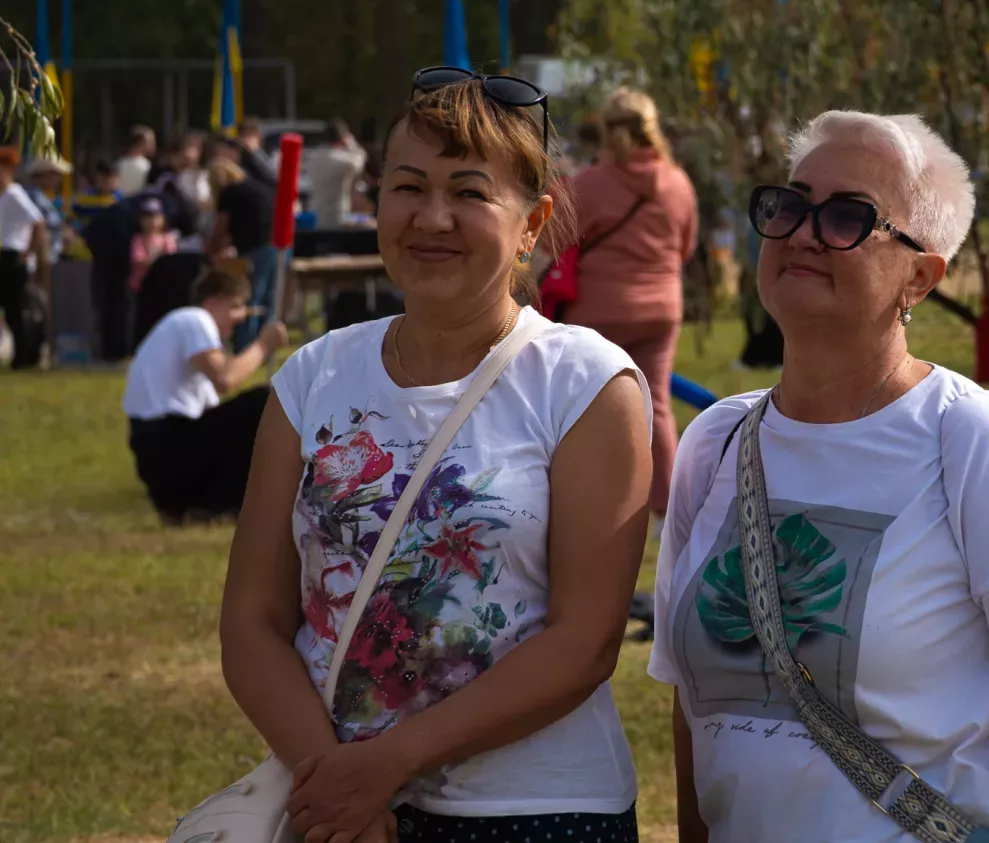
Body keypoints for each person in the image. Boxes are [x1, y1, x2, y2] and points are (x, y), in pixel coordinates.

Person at [649, 110, 989, 843]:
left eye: (847, 216)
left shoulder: (976, 443)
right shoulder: (714, 442)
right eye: (791, 205)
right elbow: (695, 707)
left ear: (921, 276)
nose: (804, 231)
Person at [219, 73, 651, 843]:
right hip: (340, 809)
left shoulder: (586, 382)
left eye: (469, 192)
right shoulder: (313, 376)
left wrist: (387, 763)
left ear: (533, 222)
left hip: (533, 812)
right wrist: (338, 780)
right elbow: (252, 620)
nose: (432, 217)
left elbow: (584, 643)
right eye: (407, 186)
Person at [568, 87, 699, 524]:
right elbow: (686, 247)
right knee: (657, 404)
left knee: (590, 406)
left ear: (607, 130)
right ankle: (670, 510)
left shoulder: (589, 183)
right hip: (661, 307)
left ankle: (598, 503)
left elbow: (556, 239)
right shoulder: (678, 182)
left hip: (600, 308)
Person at [123, 268, 287, 523]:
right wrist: (263, 346)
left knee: (247, 417)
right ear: (211, 303)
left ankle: (214, 505)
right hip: (165, 444)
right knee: (263, 403)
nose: (241, 317)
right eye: (236, 306)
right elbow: (225, 379)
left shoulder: (188, 340)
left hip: (164, 453)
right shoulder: (194, 319)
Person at [207, 158, 277, 351]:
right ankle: (267, 343)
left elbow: (220, 227)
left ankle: (245, 346)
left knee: (249, 296)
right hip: (279, 245)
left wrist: (210, 251)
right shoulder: (258, 187)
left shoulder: (229, 193)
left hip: (256, 247)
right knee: (269, 298)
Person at [0, 146, 50, 370]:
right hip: (4, 254)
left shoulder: (14, 193)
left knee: (15, 309)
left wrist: (27, 252)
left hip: (13, 255)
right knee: (10, 308)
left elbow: (37, 221)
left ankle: (23, 357)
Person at [305, 118, 368, 227]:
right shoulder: (343, 161)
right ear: (343, 138)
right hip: (336, 218)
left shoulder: (314, 157)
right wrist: (352, 144)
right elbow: (361, 157)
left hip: (315, 216)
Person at [22, 155, 72, 266]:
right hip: (37, 263)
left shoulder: (38, 196)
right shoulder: (33, 197)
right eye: (57, 174)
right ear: (46, 174)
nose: (59, 179)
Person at [127, 198, 179, 294]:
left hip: (162, 283)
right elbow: (138, 260)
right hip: (141, 285)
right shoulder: (138, 239)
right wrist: (155, 258)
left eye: (155, 217)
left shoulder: (167, 238)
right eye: (147, 218)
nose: (152, 221)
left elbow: (171, 257)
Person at [73, 159, 123, 230]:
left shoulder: (121, 201)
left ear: (118, 178)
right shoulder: (84, 198)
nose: (105, 180)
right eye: (102, 176)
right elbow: (73, 218)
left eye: (108, 176)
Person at [116, 125, 156, 196]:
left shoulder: (118, 164)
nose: (153, 145)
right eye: (151, 141)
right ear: (142, 142)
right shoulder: (147, 167)